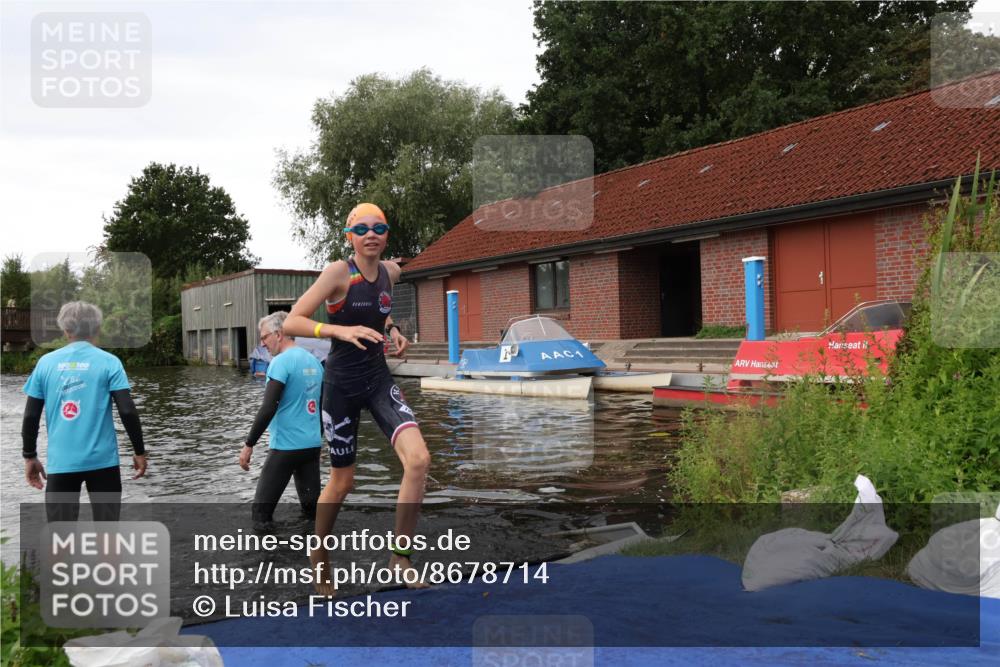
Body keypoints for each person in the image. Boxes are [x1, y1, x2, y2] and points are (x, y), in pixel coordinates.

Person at [284, 202, 430, 594]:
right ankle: (319, 555)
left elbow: (380, 309)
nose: (370, 235)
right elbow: (292, 321)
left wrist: (393, 329)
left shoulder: (391, 272)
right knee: (342, 482)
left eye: (378, 228)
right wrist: (338, 332)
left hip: (377, 378)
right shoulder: (339, 272)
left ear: (386, 234)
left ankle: (400, 557)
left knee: (418, 460)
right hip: (342, 385)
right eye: (361, 228)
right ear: (349, 236)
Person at [21, 301, 147, 522]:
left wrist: (29, 455)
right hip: (103, 463)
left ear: (65, 329)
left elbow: (31, 415)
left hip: (61, 464)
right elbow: (127, 411)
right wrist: (139, 452)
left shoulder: (46, 363)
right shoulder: (110, 362)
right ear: (97, 328)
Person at [239, 311, 323, 531]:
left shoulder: (280, 362)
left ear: (279, 334)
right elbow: (322, 407)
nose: (262, 343)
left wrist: (249, 444)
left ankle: (269, 553)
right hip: (311, 447)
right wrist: (320, 439)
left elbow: (268, 408)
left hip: (285, 448)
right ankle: (313, 548)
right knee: (312, 514)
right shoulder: (315, 362)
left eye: (264, 337)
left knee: (260, 516)